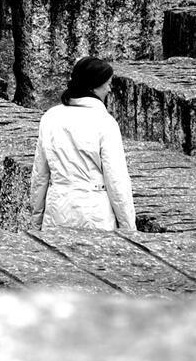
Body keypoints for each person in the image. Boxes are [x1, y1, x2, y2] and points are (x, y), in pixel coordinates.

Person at [27, 56, 137, 233]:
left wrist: (35, 221)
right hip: (94, 211)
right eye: (107, 84)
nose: (109, 89)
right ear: (94, 86)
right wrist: (129, 228)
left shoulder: (50, 117)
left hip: (56, 208)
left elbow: (40, 176)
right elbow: (116, 181)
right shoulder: (105, 123)